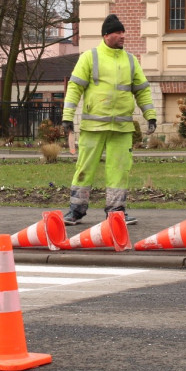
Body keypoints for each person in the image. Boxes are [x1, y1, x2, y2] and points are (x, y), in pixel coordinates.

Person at [61, 14, 156, 226]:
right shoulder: (90, 57)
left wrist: (150, 115)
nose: (122, 36)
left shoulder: (131, 60)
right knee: (85, 168)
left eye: (123, 32)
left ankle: (116, 212)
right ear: (106, 35)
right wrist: (67, 117)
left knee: (119, 170)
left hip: (121, 128)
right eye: (118, 32)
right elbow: (74, 88)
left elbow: (142, 91)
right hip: (93, 126)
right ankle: (75, 211)